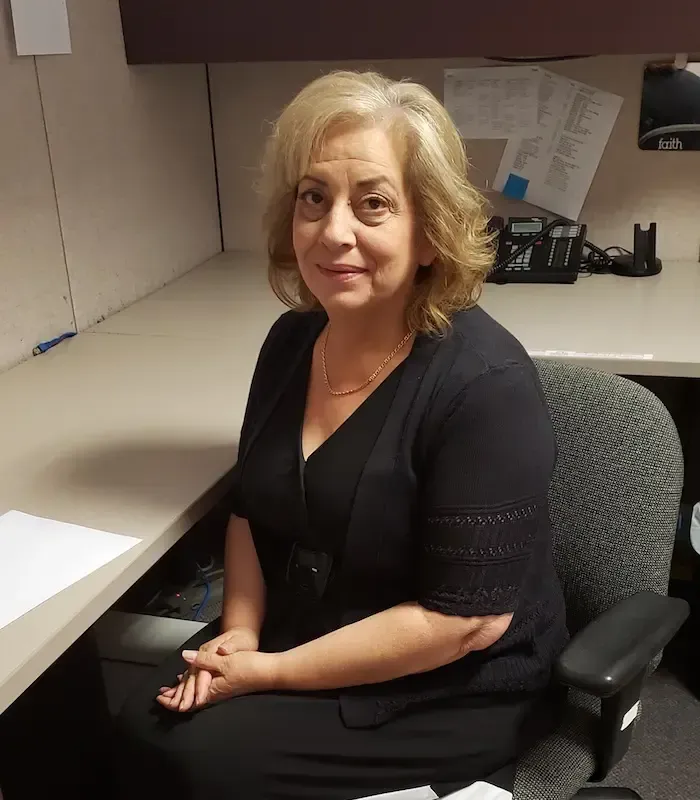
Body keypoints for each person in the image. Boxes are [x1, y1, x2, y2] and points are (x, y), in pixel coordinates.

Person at [116, 70, 569, 799]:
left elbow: (464, 626)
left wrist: (267, 673)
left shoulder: (485, 386)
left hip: (451, 686)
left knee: (195, 766)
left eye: (374, 204)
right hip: (307, 634)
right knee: (140, 733)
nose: (334, 232)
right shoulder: (293, 343)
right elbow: (250, 512)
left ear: (429, 233)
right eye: (314, 199)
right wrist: (240, 631)